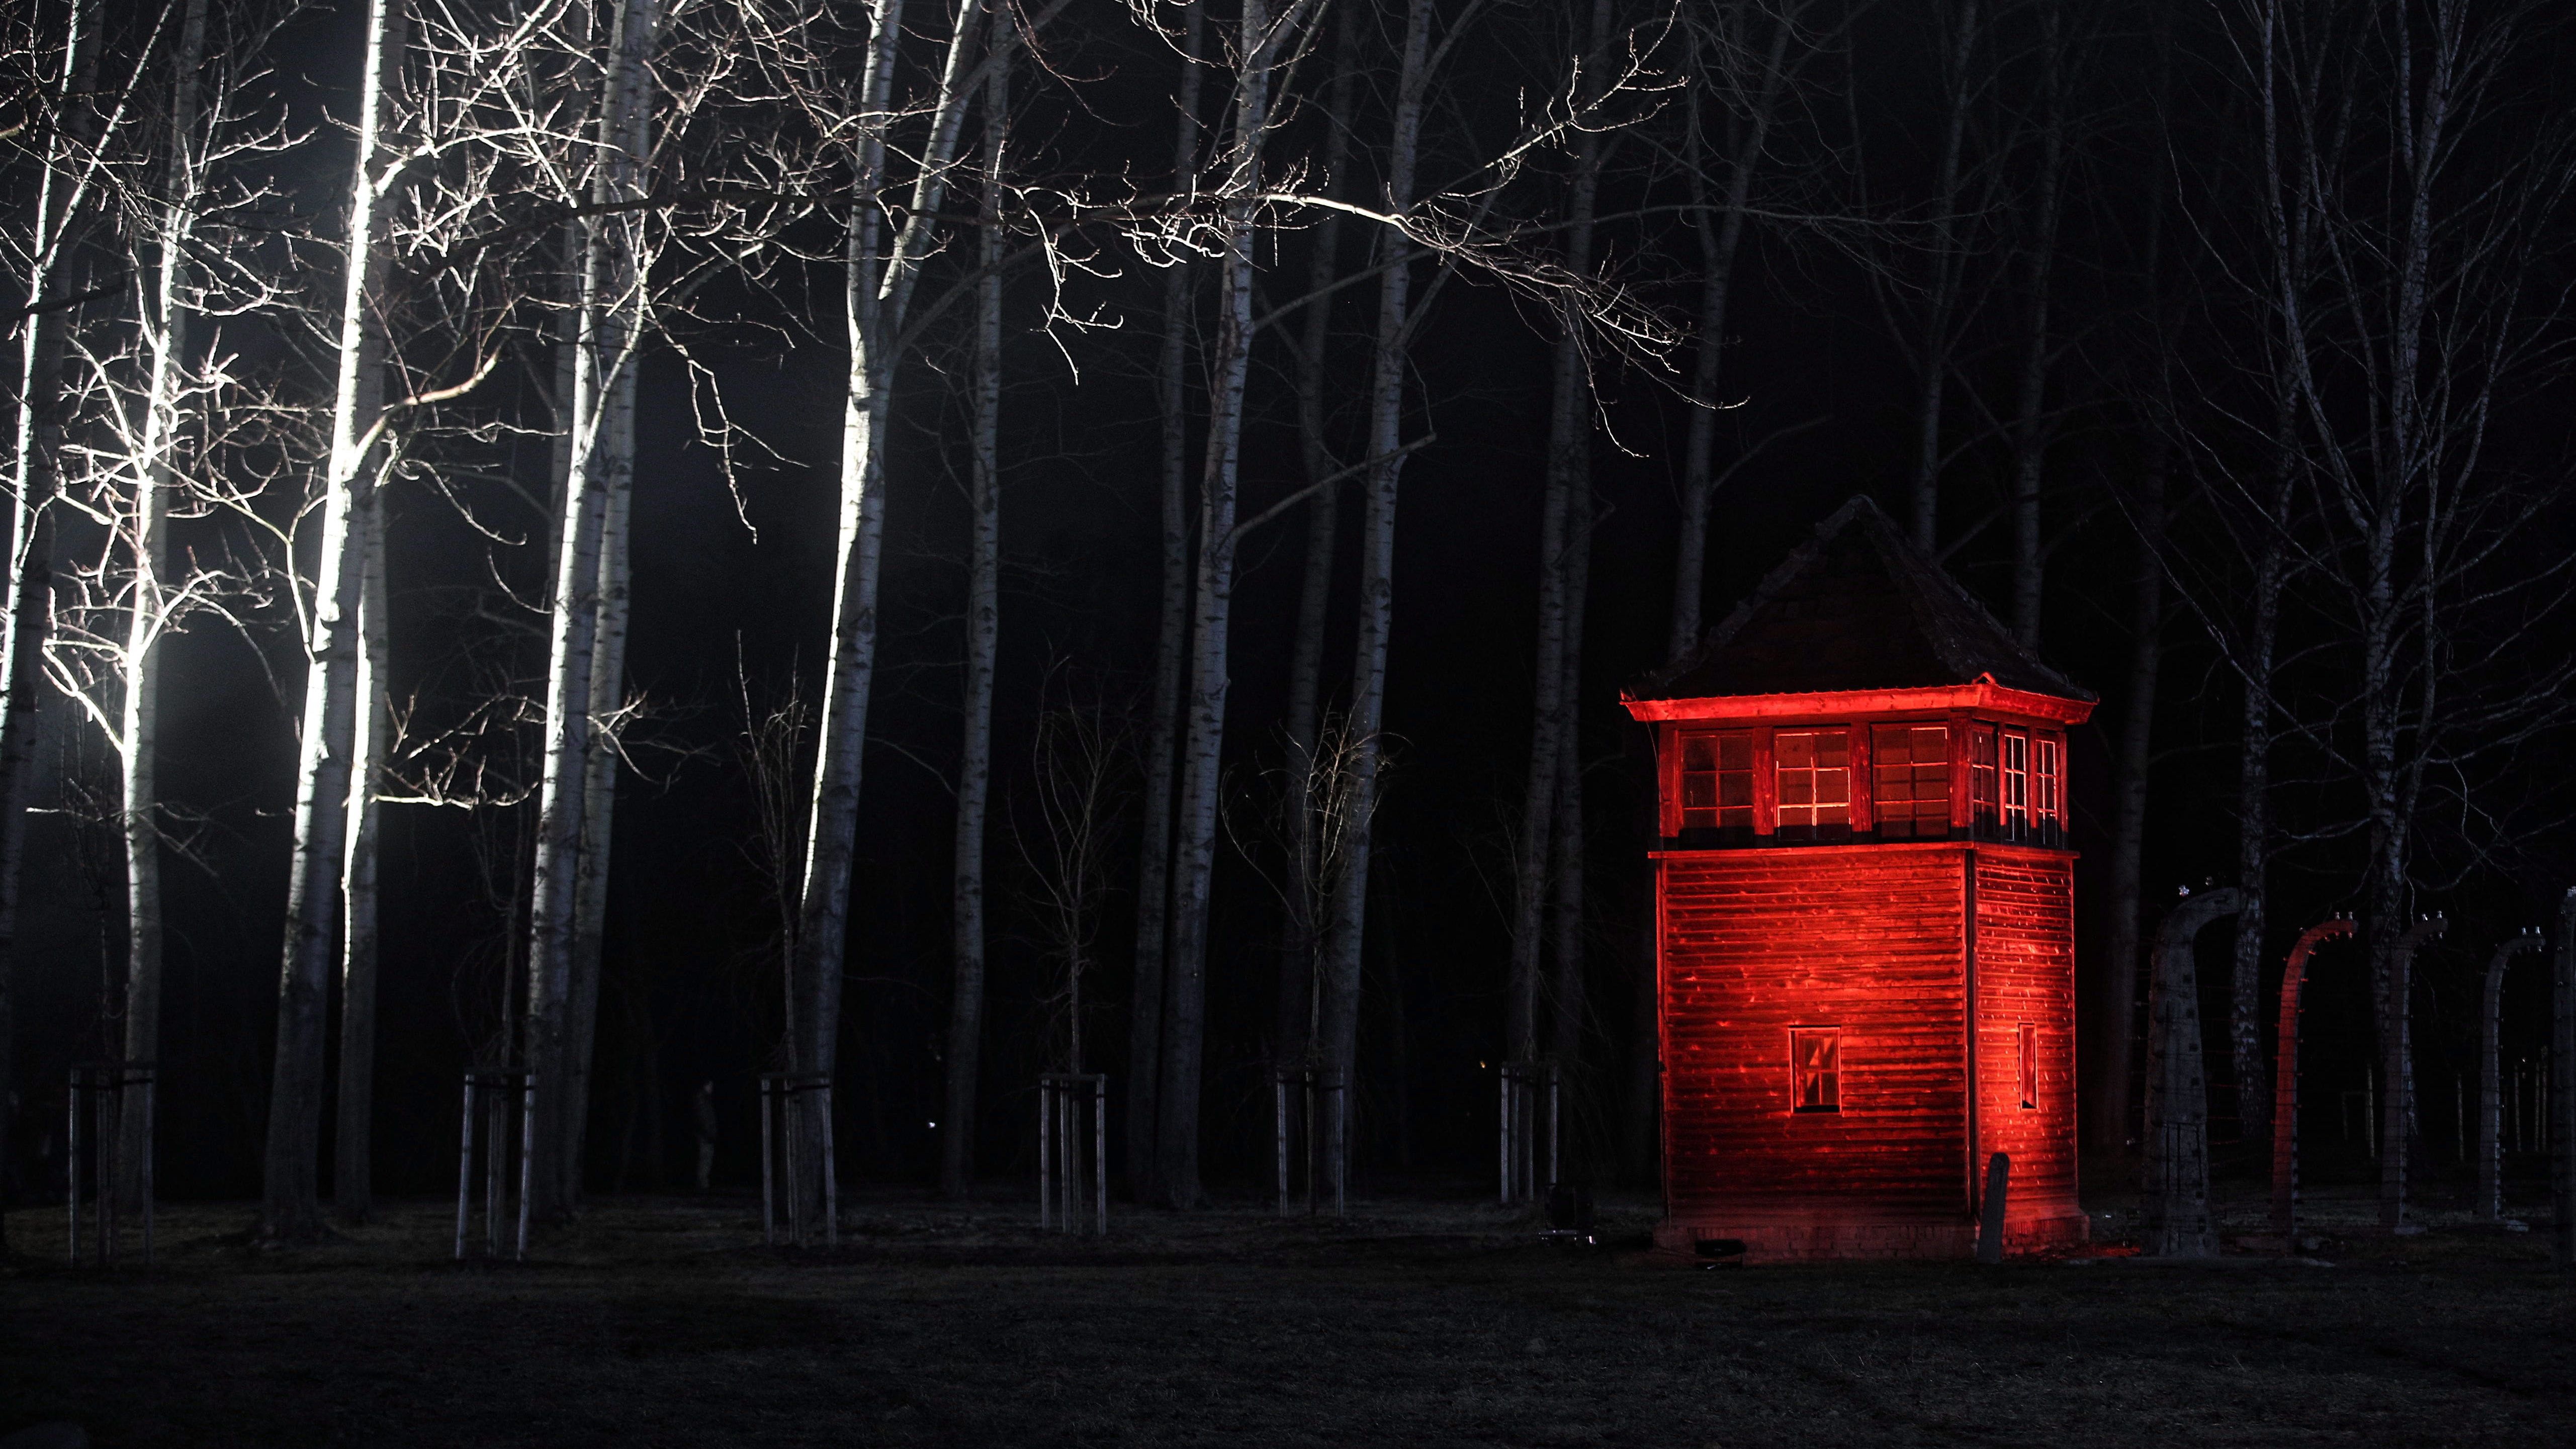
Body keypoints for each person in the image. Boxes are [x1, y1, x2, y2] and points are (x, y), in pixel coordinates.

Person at [693, 1080, 718, 1191]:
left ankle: (703, 1183)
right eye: (710, 1086)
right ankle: (702, 1184)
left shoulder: (705, 1099)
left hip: (707, 1134)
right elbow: (704, 1119)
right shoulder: (702, 1100)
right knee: (705, 1158)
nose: (712, 1088)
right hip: (705, 1135)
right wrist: (708, 1133)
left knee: (707, 1158)